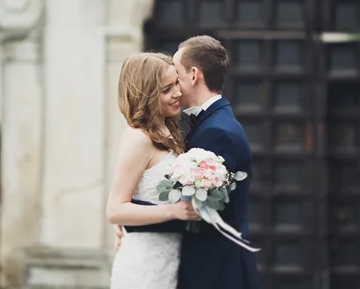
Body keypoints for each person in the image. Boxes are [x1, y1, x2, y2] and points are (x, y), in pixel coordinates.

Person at [117, 36, 261, 289]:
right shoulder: (205, 125)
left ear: (193, 75)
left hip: (215, 271)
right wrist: (128, 213)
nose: (174, 86)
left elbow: (203, 212)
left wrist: (130, 221)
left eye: (176, 77)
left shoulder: (218, 132)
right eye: (166, 87)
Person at [107, 52, 200, 289]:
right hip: (144, 267)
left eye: (176, 83)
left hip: (168, 259)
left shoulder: (167, 130)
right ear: (146, 95)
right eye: (166, 89)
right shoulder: (139, 139)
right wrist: (174, 211)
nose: (178, 93)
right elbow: (115, 210)